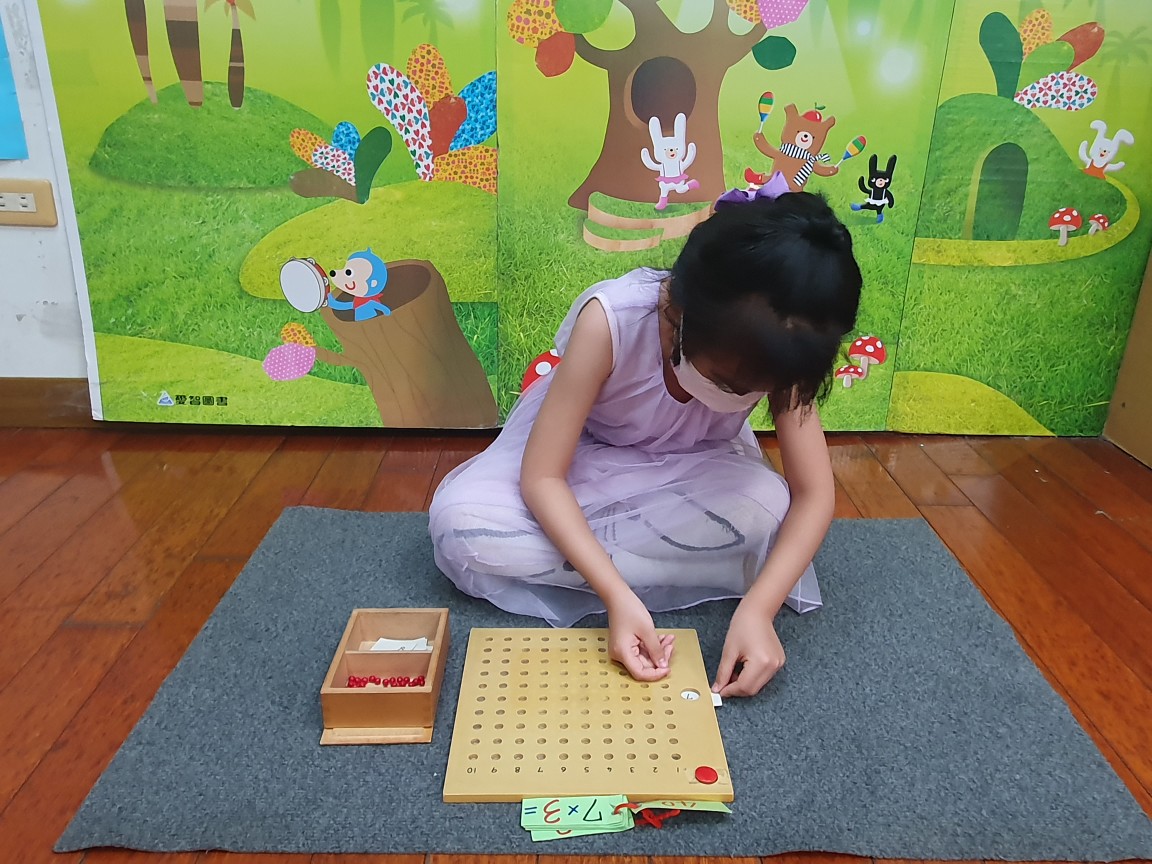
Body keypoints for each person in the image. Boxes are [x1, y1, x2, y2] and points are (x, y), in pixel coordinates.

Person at [429, 173, 863, 698]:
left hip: (692, 462)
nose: (741, 397)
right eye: (727, 383)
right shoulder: (612, 320)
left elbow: (813, 494)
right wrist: (617, 597)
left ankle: (591, 556)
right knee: (461, 525)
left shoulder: (785, 344)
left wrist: (759, 610)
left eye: (756, 391)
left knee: (768, 508)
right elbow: (542, 477)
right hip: (581, 455)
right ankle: (654, 567)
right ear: (679, 315)